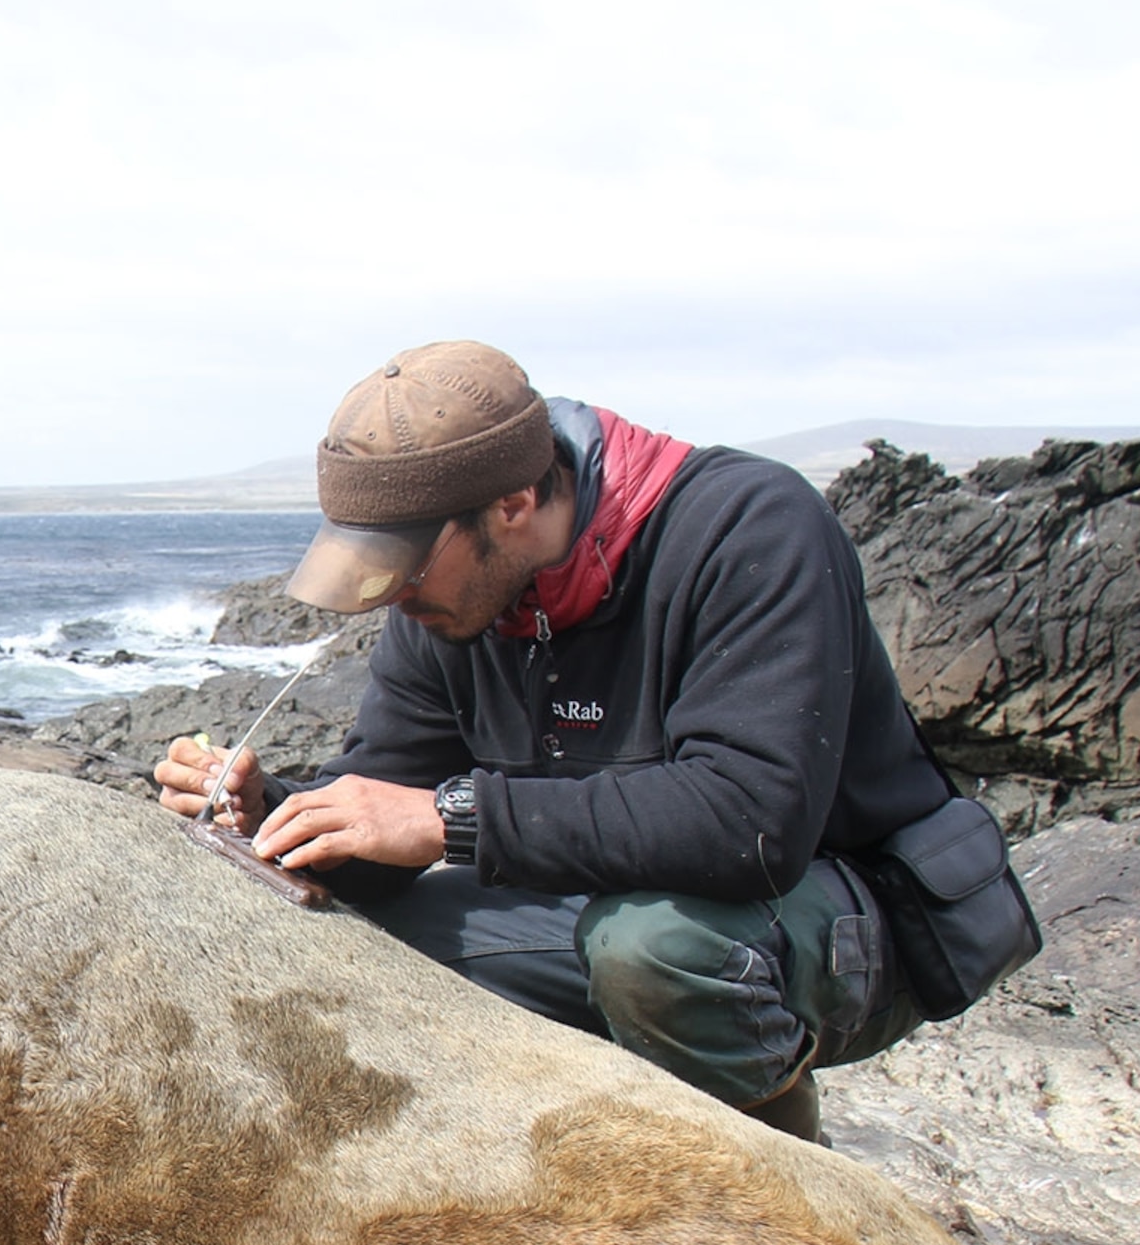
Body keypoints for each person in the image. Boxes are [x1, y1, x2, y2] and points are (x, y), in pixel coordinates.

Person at [157, 340, 962, 1139]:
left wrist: (452, 819)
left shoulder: (751, 526)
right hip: (597, 896)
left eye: (405, 563)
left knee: (654, 947)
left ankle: (778, 1168)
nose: (391, 596)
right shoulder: (454, 600)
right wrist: (277, 811)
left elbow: (752, 825)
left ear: (511, 505)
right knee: (347, 934)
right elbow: (387, 805)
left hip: (846, 913)